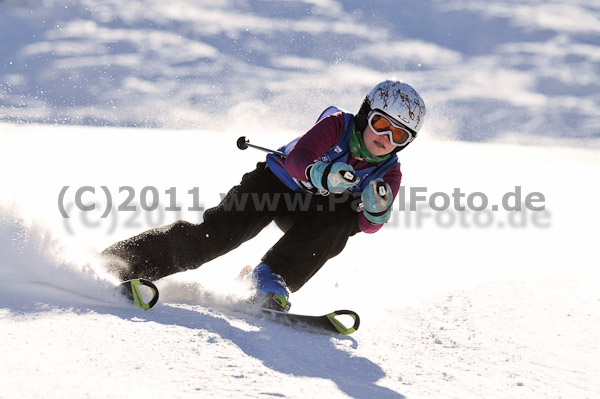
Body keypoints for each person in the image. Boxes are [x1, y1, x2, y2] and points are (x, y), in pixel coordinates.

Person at [101, 80, 427, 311]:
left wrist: (375, 212)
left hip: (312, 215)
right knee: (216, 237)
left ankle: (271, 278)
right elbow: (300, 157)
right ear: (364, 114)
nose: (386, 137)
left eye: (399, 134)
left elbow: (367, 227)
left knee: (344, 218)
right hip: (273, 185)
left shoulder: (390, 172)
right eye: (381, 123)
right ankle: (121, 264)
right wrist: (322, 173)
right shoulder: (337, 125)